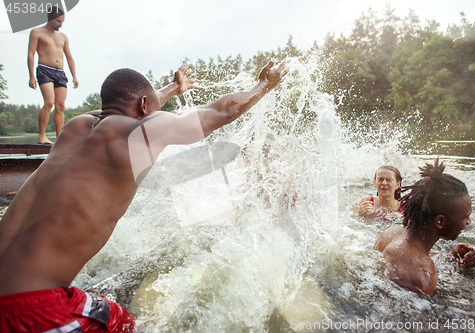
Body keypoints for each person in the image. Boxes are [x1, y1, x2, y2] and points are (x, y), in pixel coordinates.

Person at [0, 60, 287, 332]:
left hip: (12, 288)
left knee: (114, 312)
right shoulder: (138, 135)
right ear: (145, 106)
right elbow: (220, 112)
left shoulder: (74, 128)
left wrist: (173, 89)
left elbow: (139, 103)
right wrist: (263, 85)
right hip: (29, 309)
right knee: (124, 325)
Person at [374, 158, 475, 295]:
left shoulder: (392, 232)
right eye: (465, 217)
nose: (468, 222)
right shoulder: (421, 279)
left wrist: (454, 258)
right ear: (440, 222)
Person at [27, 6, 78, 145]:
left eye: (62, 21)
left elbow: (69, 57)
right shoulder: (36, 32)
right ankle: (41, 136)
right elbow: (31, 54)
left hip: (60, 73)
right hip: (44, 69)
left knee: (60, 105)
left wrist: (74, 76)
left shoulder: (63, 37)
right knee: (49, 102)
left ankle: (59, 138)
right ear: (49, 17)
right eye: (58, 21)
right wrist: (31, 75)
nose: (61, 24)